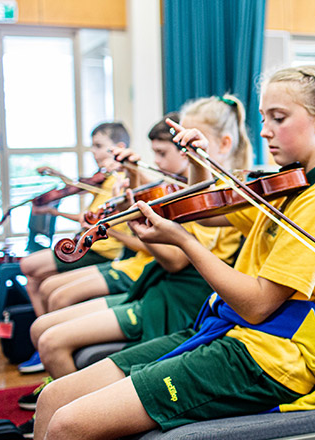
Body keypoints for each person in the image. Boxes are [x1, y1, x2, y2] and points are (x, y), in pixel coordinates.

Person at [32, 65, 315, 440]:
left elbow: (257, 305)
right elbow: (205, 214)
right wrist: (195, 161)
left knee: (67, 424)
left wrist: (182, 242)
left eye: (279, 118)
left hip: (268, 360)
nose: (265, 130)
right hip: (225, 334)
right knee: (54, 399)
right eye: (263, 118)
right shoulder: (290, 187)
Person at [14, 100, 248, 435]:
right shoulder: (195, 190)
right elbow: (187, 221)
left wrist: (135, 225)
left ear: (223, 144)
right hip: (161, 287)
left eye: (182, 146)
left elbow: (177, 258)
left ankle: (82, 418)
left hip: (182, 297)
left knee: (52, 333)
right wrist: (136, 194)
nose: (166, 159)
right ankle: (70, 411)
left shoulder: (233, 195)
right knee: (48, 322)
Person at [16, 115, 190, 376]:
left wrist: (122, 225)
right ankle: (54, 364)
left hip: (136, 268)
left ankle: (57, 367)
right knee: (46, 297)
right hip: (138, 267)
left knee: (55, 293)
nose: (156, 162)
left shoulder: (188, 196)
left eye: (161, 153)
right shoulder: (160, 185)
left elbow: (172, 257)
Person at [20, 122, 131, 317]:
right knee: (34, 281)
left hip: (100, 248)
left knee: (28, 266)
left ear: (119, 148)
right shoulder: (105, 178)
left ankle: (47, 329)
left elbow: (92, 219)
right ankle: (43, 330)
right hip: (88, 242)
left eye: (98, 146)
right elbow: (79, 193)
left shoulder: (119, 180)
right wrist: (57, 175)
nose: (93, 151)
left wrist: (55, 213)